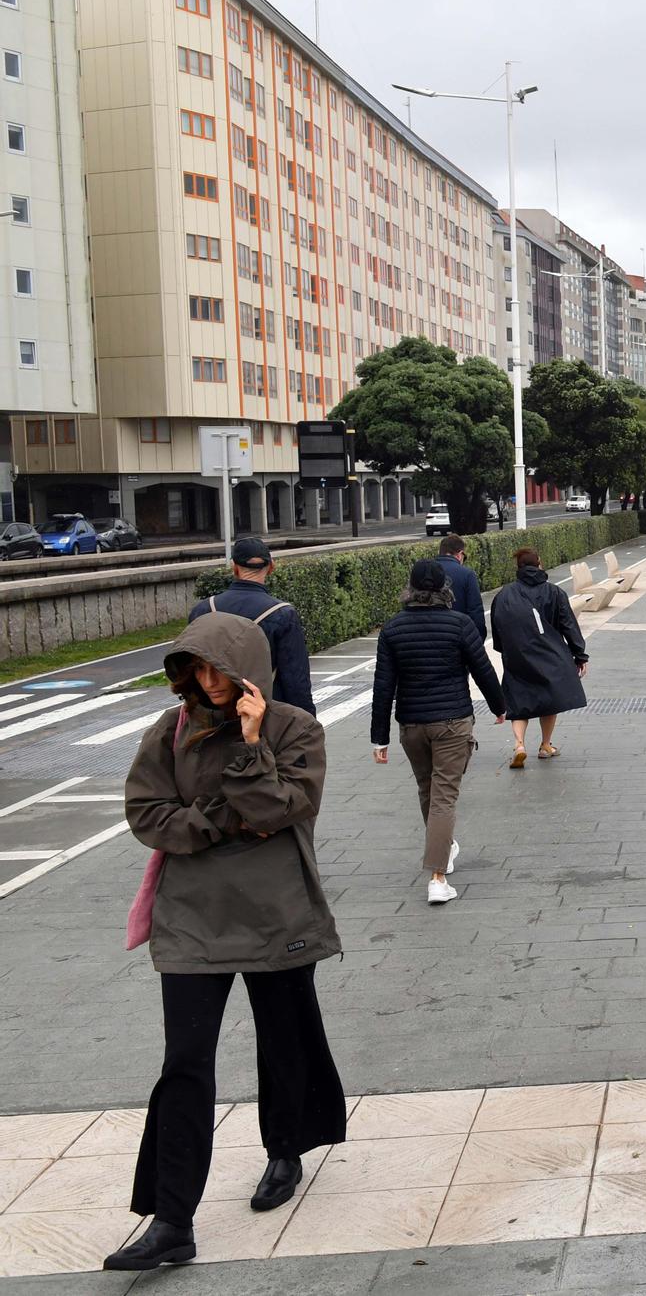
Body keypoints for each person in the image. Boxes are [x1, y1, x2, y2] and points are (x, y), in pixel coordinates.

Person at [107, 614, 343, 1271]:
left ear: (249, 670)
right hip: (190, 920)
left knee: (284, 1038)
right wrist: (216, 822)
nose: (208, 681)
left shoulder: (295, 728)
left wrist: (247, 742)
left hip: (277, 913)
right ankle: (171, 1218)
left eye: (220, 668)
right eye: (197, 667)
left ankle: (285, 1149)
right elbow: (145, 811)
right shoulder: (170, 730)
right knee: (184, 1063)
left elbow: (281, 808)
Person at [370, 560, 507, 905]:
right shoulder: (459, 624)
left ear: (410, 589)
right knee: (444, 796)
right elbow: (483, 670)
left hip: (412, 725)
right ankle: (437, 876)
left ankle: (442, 847)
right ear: (445, 589)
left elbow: (383, 687)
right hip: (452, 722)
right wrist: (500, 706)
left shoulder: (393, 629)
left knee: (427, 789)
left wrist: (379, 737)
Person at [187, 537, 315, 714]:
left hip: (213, 714)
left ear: (234, 567)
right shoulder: (282, 613)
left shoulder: (203, 610)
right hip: (263, 714)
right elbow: (295, 679)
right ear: (271, 567)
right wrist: (308, 725)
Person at [489, 547, 588, 768]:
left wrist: (505, 650)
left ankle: (519, 744)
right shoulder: (554, 592)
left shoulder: (504, 595)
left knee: (518, 700)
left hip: (517, 655)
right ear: (539, 564)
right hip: (550, 655)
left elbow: (497, 627)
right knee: (549, 699)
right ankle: (545, 745)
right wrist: (580, 654)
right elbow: (569, 625)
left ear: (519, 567)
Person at [436, 533, 486, 643]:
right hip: (458, 637)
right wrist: (479, 639)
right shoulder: (467, 574)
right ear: (459, 554)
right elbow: (475, 610)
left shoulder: (425, 571)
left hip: (429, 638)